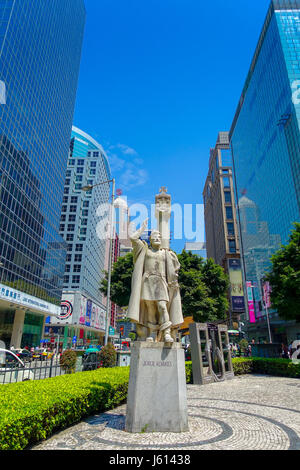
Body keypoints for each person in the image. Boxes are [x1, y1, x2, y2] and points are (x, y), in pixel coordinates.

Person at [127, 219, 183, 343]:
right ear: (150, 239)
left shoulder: (167, 253)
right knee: (150, 309)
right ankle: (151, 335)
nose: (157, 238)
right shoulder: (144, 250)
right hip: (147, 282)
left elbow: (174, 270)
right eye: (154, 237)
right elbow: (133, 238)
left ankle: (166, 333)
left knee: (162, 306)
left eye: (159, 237)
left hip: (161, 282)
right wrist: (142, 228)